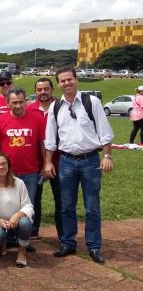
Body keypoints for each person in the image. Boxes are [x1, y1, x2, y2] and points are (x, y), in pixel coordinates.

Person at [44, 67, 114, 264]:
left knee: (92, 206)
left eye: (69, 79)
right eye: (62, 81)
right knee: (66, 206)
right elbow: (50, 139)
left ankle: (93, 246)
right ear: (58, 84)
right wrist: (48, 161)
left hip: (90, 161)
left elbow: (105, 133)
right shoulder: (56, 107)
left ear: (76, 80)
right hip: (66, 161)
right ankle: (68, 242)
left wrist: (107, 156)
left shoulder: (91, 102)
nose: (67, 83)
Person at [0, 88, 45, 231]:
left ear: (26, 102)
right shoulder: (0, 120)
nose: (18, 106)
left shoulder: (37, 119)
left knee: (28, 205)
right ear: (7, 103)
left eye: (21, 102)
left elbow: (42, 143)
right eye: (14, 102)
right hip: (7, 172)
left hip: (30, 171)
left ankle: (25, 238)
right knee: (7, 204)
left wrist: (45, 164)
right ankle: (9, 237)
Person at [0, 153, 34, 268]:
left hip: (17, 221)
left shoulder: (19, 183)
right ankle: (2, 243)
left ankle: (21, 251)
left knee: (25, 223)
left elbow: (28, 206)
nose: (1, 167)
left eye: (4, 163)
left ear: (8, 165)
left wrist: (17, 215)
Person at [26, 78, 62, 240]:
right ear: (35, 91)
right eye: (39, 89)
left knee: (61, 200)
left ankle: (63, 234)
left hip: (60, 162)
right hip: (36, 164)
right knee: (34, 199)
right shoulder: (29, 110)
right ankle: (33, 231)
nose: (43, 92)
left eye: (46, 89)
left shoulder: (61, 107)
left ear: (52, 90)